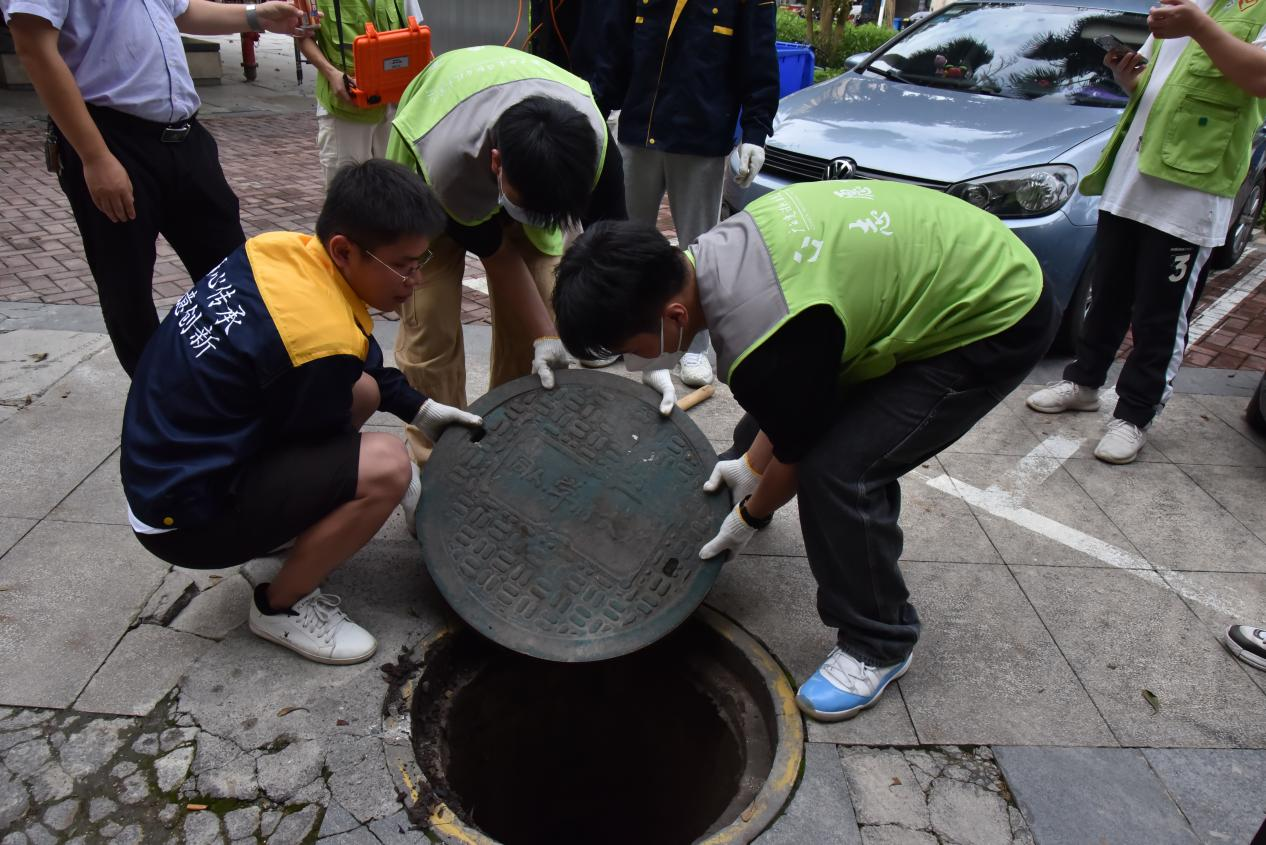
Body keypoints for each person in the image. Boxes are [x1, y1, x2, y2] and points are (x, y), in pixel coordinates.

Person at [553, 180, 1058, 721]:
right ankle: (753, 483)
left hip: (991, 314)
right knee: (767, 424)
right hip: (940, 264)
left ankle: (879, 641)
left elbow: (801, 435)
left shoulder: (762, 339)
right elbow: (800, 391)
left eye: (631, 350)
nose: (633, 363)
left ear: (673, 315)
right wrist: (751, 463)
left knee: (841, 470)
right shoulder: (718, 252)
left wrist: (751, 513)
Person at [120, 160, 482, 665]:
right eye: (404, 264)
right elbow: (329, 378)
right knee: (387, 468)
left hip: (167, 467)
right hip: (185, 519)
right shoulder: (313, 339)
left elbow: (355, 365)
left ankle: (284, 523)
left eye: (422, 261)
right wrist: (388, 480)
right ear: (344, 250)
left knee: (361, 392)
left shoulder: (281, 252)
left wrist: (422, 410)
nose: (416, 279)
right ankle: (280, 606)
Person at [1, 0, 306, 376]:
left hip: (184, 135)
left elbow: (180, 11)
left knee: (231, 271)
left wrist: (254, 16)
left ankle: (246, 381)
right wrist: (95, 157)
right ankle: (160, 400)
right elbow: (33, 46)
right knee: (126, 284)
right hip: (111, 137)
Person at [1026, 0, 1266, 464]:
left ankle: (1134, 414)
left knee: (1160, 315)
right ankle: (1084, 383)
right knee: (1107, 295)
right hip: (1131, 177)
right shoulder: (1182, 5)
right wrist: (1127, 76)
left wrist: (1197, 26)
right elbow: (1161, 86)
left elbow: (1258, 78)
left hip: (1190, 191)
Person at [385, 44, 638, 480]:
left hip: (526, 163)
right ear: (497, 164)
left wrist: (646, 356)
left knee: (542, 310)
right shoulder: (448, 159)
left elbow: (614, 252)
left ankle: (505, 444)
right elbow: (497, 254)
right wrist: (547, 333)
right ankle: (439, 465)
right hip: (428, 180)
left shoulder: (591, 148)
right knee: (429, 323)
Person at [587, 0, 779, 388]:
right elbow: (614, 46)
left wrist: (755, 133)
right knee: (623, 242)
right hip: (640, 128)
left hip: (701, 135)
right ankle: (621, 332)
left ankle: (695, 347)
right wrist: (594, 109)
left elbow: (758, 56)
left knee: (702, 246)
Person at [297, 0, 423, 186]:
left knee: (395, 194)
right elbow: (302, 35)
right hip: (346, 110)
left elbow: (417, 32)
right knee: (348, 198)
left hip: (394, 108)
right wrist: (332, 74)